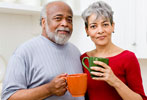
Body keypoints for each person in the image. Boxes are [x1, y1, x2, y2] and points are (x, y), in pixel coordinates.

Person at [2, 1, 84, 100]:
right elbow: (8, 96)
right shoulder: (24, 52)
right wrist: (49, 89)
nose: (65, 23)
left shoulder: (75, 51)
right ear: (44, 22)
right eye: (58, 18)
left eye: (69, 20)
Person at [80, 1, 147, 100]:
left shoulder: (128, 58)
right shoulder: (84, 59)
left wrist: (114, 81)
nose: (100, 31)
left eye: (105, 24)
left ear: (112, 26)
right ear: (87, 30)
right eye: (93, 26)